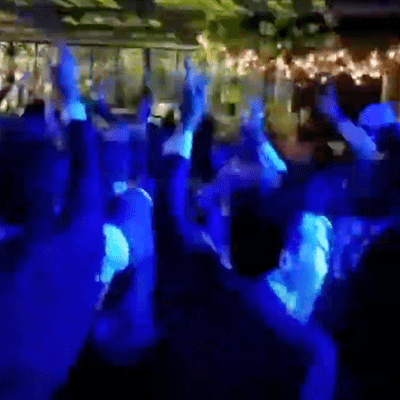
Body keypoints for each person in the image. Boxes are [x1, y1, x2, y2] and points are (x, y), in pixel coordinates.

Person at [153, 79, 336, 399]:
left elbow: (170, 210)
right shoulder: (312, 351)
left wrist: (189, 122)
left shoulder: (199, 287)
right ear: (284, 256)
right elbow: (281, 190)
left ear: (227, 234)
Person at [0, 42, 106, 400]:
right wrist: (71, 95)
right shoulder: (75, 249)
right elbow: (88, 184)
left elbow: (87, 184)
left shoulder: (20, 266)